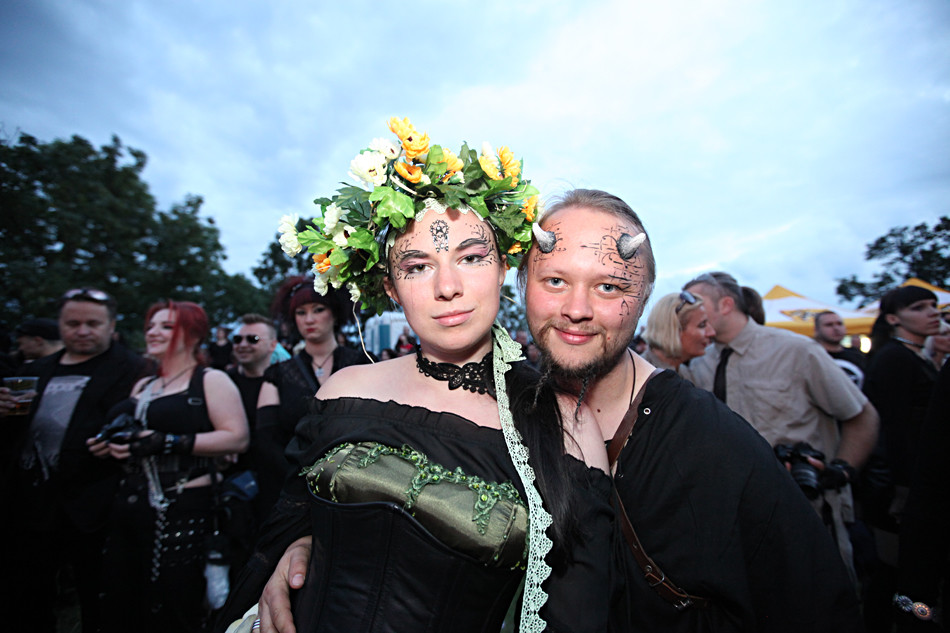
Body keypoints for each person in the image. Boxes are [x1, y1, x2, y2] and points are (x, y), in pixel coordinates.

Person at [262, 188, 863, 632]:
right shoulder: (520, 406)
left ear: (642, 301)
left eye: (608, 287)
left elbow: (818, 602)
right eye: (555, 281)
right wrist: (321, 539)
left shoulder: (709, 441)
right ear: (522, 280)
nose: (577, 309)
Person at [219, 121, 612, 633]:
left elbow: (581, 609)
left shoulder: (564, 425)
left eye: (470, 258)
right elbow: (284, 527)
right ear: (391, 287)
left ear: (501, 268)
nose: (447, 287)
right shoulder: (344, 391)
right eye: (418, 266)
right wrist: (296, 551)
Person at [683, 271, 879, 582]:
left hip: (806, 512)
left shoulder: (796, 350)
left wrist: (841, 470)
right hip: (738, 518)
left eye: (695, 301)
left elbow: (862, 415)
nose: (687, 308)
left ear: (726, 304)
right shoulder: (699, 363)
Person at [92, 300, 249, 633]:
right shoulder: (143, 386)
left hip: (185, 507)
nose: (153, 332)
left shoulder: (210, 380)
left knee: (175, 603)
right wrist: (114, 444)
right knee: (124, 600)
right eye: (151, 326)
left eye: (166, 326)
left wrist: (170, 441)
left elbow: (237, 438)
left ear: (192, 335)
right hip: (131, 506)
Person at [0, 288, 147, 633]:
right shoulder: (35, 369)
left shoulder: (134, 370)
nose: (82, 331)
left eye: (93, 323)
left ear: (111, 325)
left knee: (99, 598)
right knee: (25, 595)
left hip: (95, 506)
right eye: (73, 323)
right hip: (30, 504)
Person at [254, 275, 374, 517]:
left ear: (335, 313)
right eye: (301, 312)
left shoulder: (363, 363)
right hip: (291, 492)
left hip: (356, 494)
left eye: (318, 309)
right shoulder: (277, 375)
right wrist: (300, 482)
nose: (309, 319)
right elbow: (266, 440)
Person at [861, 286, 942, 633]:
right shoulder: (894, 359)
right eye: (920, 307)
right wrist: (904, 489)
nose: (933, 312)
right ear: (894, 319)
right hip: (902, 490)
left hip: (915, 485)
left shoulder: (915, 356)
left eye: (934, 305)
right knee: (897, 573)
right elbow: (893, 430)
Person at [641, 290, 715, 373]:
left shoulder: (684, 374)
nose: (712, 332)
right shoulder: (640, 375)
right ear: (673, 331)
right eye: (702, 325)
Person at [815, 310, 868, 388]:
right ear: (817, 330)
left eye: (839, 324)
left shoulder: (857, 356)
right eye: (829, 325)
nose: (836, 328)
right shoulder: (813, 357)